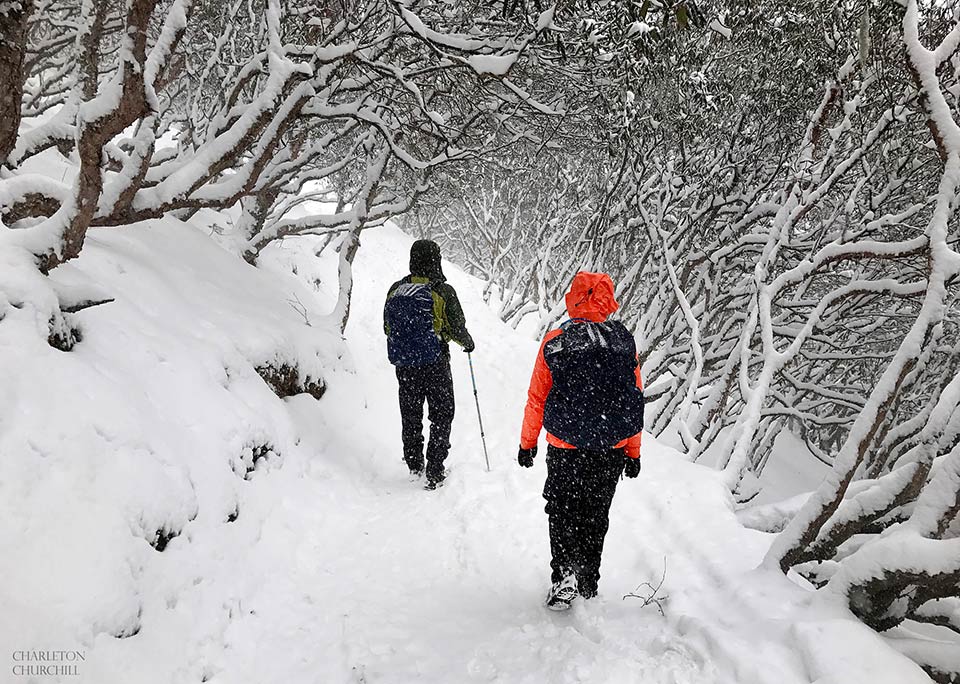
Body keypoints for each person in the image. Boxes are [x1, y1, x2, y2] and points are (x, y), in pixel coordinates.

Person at [517, 271, 644, 610]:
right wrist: (633, 451)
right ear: (607, 299)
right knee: (595, 513)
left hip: (565, 447)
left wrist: (527, 443)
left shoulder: (556, 341)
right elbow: (634, 399)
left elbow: (536, 398)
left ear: (573, 297)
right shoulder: (623, 343)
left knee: (561, 509)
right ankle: (588, 581)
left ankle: (564, 575)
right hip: (610, 449)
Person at [384, 239, 475, 490]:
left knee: (411, 413)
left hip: (405, 365)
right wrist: (467, 342)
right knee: (442, 413)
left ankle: (414, 464)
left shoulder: (396, 289)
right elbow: (456, 327)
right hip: (435, 362)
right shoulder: (443, 291)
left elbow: (387, 327)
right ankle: (435, 468)